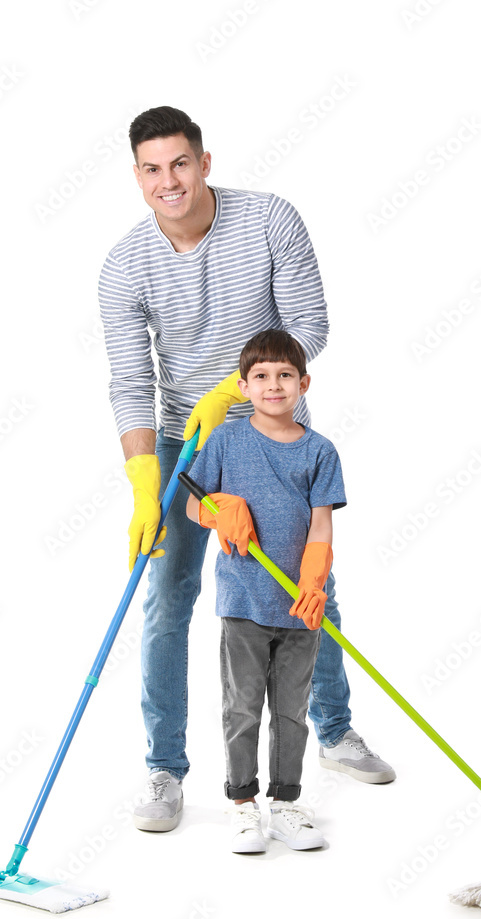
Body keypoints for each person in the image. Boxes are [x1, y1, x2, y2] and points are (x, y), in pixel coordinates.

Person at [99, 105, 395, 833]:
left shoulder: (268, 220)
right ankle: (165, 769)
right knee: (168, 596)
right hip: (185, 446)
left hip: (273, 426)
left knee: (303, 586)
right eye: (151, 168)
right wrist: (145, 484)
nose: (167, 181)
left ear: (203, 162)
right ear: (136, 176)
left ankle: (332, 731)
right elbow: (132, 383)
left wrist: (233, 388)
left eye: (179, 163)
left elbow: (308, 326)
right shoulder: (123, 267)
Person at [186, 330, 343, 852]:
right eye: (261, 376)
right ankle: (243, 805)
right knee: (243, 708)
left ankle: (286, 805)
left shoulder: (320, 451)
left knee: (293, 710)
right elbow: (191, 505)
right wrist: (216, 509)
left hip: (300, 604)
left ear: (304, 383)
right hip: (243, 600)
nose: (273, 385)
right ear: (242, 385)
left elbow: (321, 525)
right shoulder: (226, 442)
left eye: (284, 375)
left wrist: (315, 580)